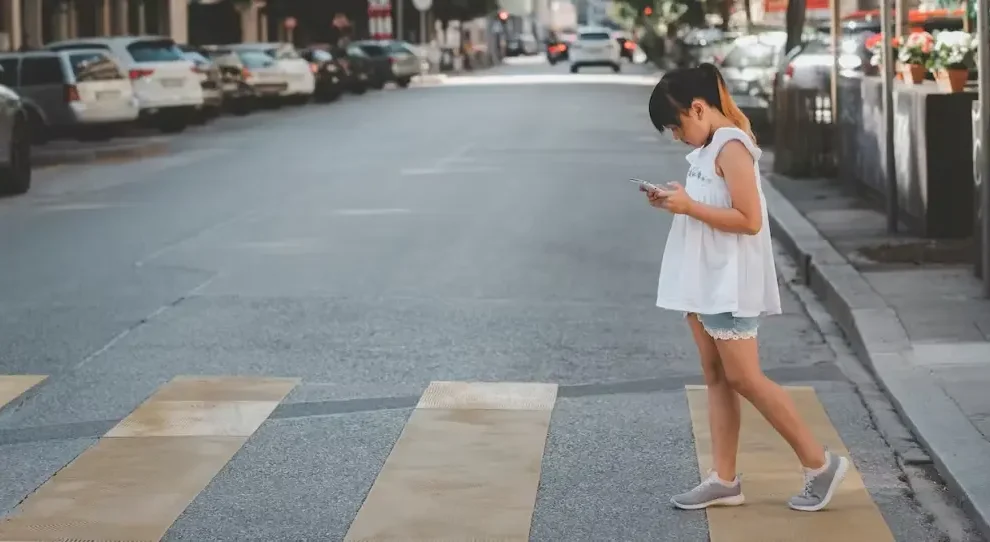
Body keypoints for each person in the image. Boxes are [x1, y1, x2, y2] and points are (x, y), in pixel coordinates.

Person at [645, 63, 850, 513]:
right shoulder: (709, 146)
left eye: (676, 126)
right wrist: (677, 201)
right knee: (716, 378)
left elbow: (749, 220)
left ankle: (820, 465)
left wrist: (689, 206)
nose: (676, 136)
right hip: (703, 279)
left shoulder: (732, 145)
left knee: (744, 378)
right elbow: (711, 203)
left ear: (698, 108)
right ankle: (724, 479)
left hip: (728, 281)